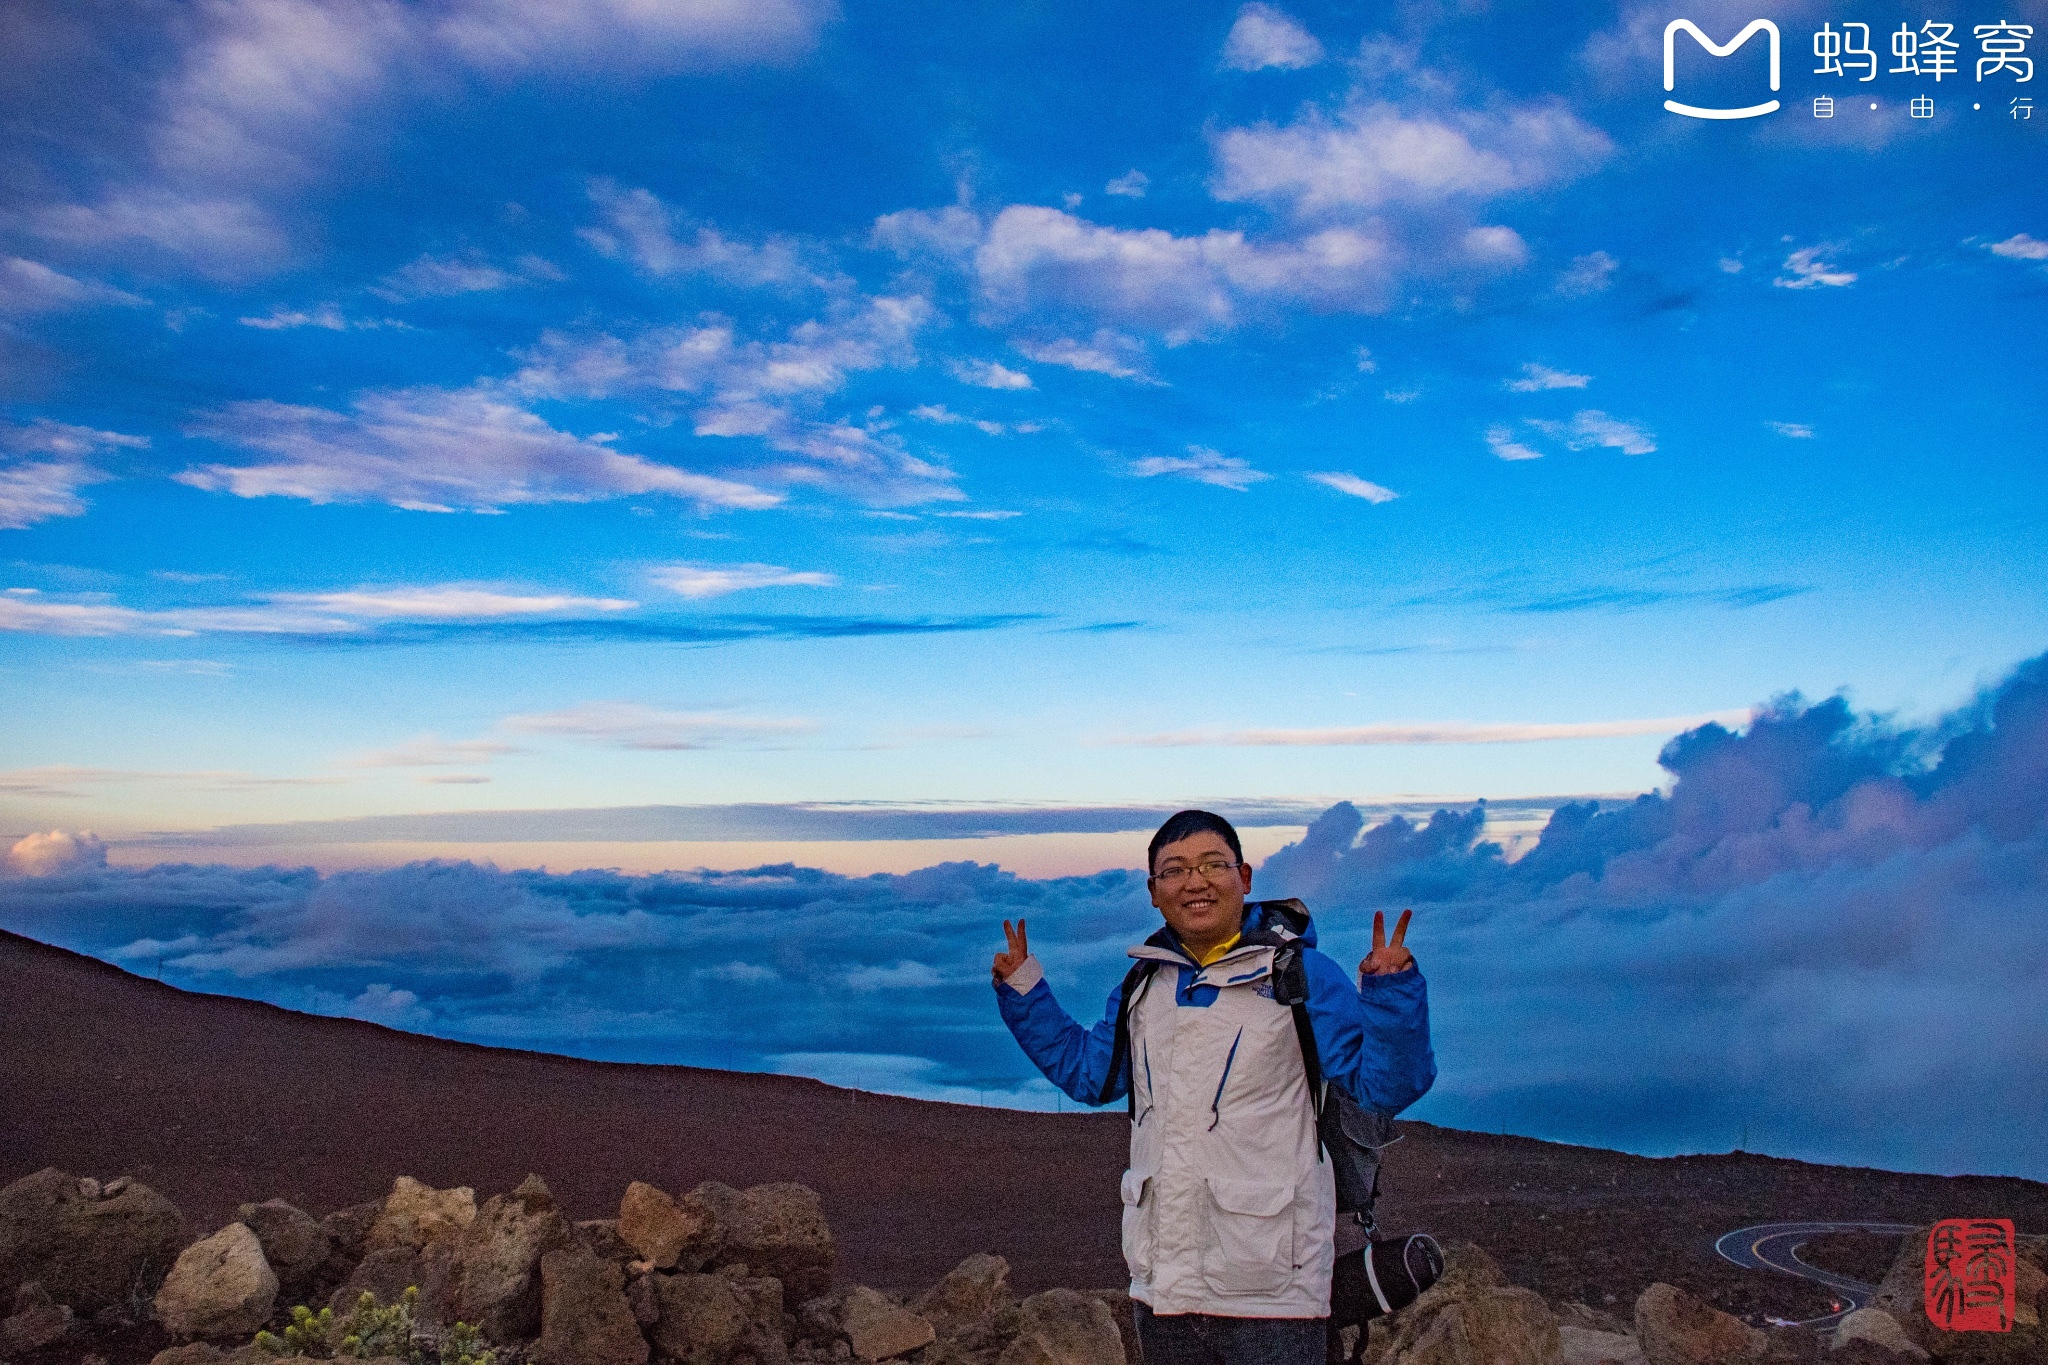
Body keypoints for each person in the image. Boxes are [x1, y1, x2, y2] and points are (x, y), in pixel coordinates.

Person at [991, 809, 1434, 1365]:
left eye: (1211, 865)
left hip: (1273, 1297)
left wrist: (1392, 992)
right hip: (1162, 1292)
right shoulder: (1144, 985)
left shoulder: (1300, 975)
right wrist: (1024, 990)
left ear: (1244, 878)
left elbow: (1384, 1087)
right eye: (1173, 871)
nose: (1194, 882)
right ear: (1154, 892)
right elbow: (1089, 1075)